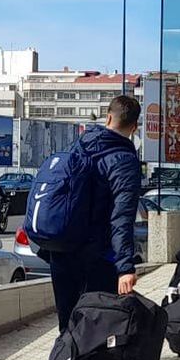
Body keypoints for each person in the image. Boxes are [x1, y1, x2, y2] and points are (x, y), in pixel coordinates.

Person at [44, 96, 143, 331]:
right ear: (135, 127)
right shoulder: (125, 161)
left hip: (61, 248)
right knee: (97, 327)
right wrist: (125, 268)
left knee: (67, 328)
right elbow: (122, 217)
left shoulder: (77, 146)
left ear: (108, 117)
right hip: (96, 256)